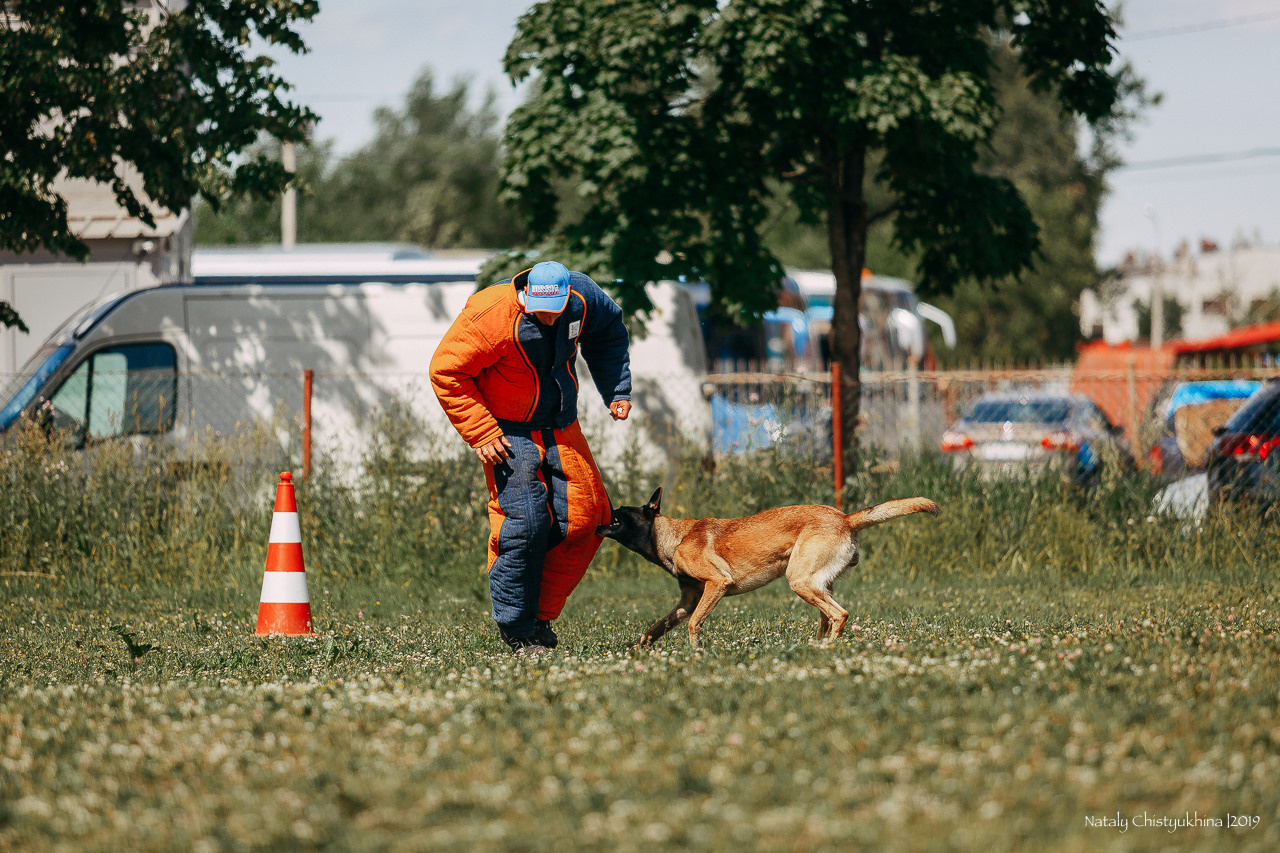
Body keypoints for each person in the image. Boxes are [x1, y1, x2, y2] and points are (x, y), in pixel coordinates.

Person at [430, 261, 632, 654]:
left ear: (566, 296)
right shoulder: (490, 314)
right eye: (537, 309)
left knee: (589, 518)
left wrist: (617, 391)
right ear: (525, 294)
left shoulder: (583, 297)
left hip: (560, 424)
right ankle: (517, 629)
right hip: (506, 430)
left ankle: (540, 617)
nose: (545, 316)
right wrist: (482, 432)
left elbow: (609, 335)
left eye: (553, 309)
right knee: (525, 524)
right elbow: (446, 372)